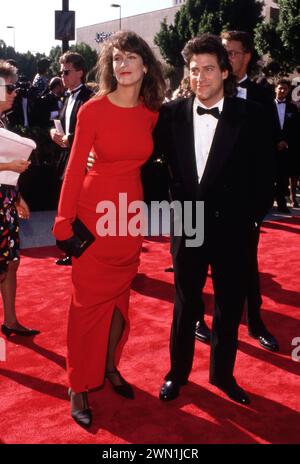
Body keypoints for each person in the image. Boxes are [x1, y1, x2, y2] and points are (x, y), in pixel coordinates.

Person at [52, 31, 165, 427]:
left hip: (129, 216)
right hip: (93, 213)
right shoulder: (93, 110)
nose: (123, 64)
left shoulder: (151, 112)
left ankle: (109, 366)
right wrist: (63, 221)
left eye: (131, 56)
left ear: (145, 65)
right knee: (85, 307)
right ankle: (78, 384)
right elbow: (73, 167)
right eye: (116, 58)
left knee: (121, 302)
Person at [155, 34, 274, 405]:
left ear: (225, 72)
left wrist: (249, 219)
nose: (201, 77)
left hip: (233, 227)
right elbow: (149, 166)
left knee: (228, 305)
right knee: (185, 304)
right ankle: (177, 373)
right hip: (188, 222)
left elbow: (264, 175)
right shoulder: (170, 114)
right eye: (194, 70)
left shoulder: (251, 116)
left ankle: (223, 375)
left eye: (209, 69)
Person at [194, 30, 279, 353]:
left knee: (246, 263)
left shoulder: (261, 96)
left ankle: (255, 322)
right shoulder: (203, 88)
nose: (226, 56)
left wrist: (259, 206)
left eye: (232, 52)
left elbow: (267, 154)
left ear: (247, 55)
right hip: (204, 195)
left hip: (241, 199)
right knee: (197, 262)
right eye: (223, 51)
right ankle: (196, 318)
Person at [0, 60, 40, 338]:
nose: (15, 92)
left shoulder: (2, 121)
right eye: (10, 87)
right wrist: (8, 167)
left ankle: (11, 321)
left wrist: (17, 197)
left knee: (11, 262)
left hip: (5, 202)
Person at [50, 52, 93, 266]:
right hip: (66, 158)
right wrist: (54, 133)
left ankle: (86, 251)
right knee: (68, 204)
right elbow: (62, 124)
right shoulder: (66, 97)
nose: (62, 76)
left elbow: (93, 131)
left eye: (66, 72)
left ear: (80, 72)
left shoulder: (90, 97)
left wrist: (70, 138)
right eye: (61, 72)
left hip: (85, 161)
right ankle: (73, 249)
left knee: (82, 206)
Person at [273, 79, 299, 211]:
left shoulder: (293, 108)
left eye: (285, 88)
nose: (282, 90)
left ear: (288, 90)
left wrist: (285, 142)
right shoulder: (266, 106)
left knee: (283, 176)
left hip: (286, 148)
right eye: (280, 88)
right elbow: (264, 127)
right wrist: (275, 141)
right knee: (269, 176)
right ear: (275, 89)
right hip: (270, 147)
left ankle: (282, 203)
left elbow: (295, 129)